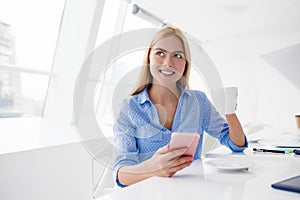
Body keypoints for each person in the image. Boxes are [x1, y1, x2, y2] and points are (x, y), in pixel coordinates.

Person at [113, 26, 247, 187]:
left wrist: (229, 111)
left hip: (191, 192)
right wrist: (153, 169)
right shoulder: (129, 108)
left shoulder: (199, 101)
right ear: (149, 58)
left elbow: (236, 144)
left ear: (185, 64)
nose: (168, 63)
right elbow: (121, 175)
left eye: (177, 55)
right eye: (160, 53)